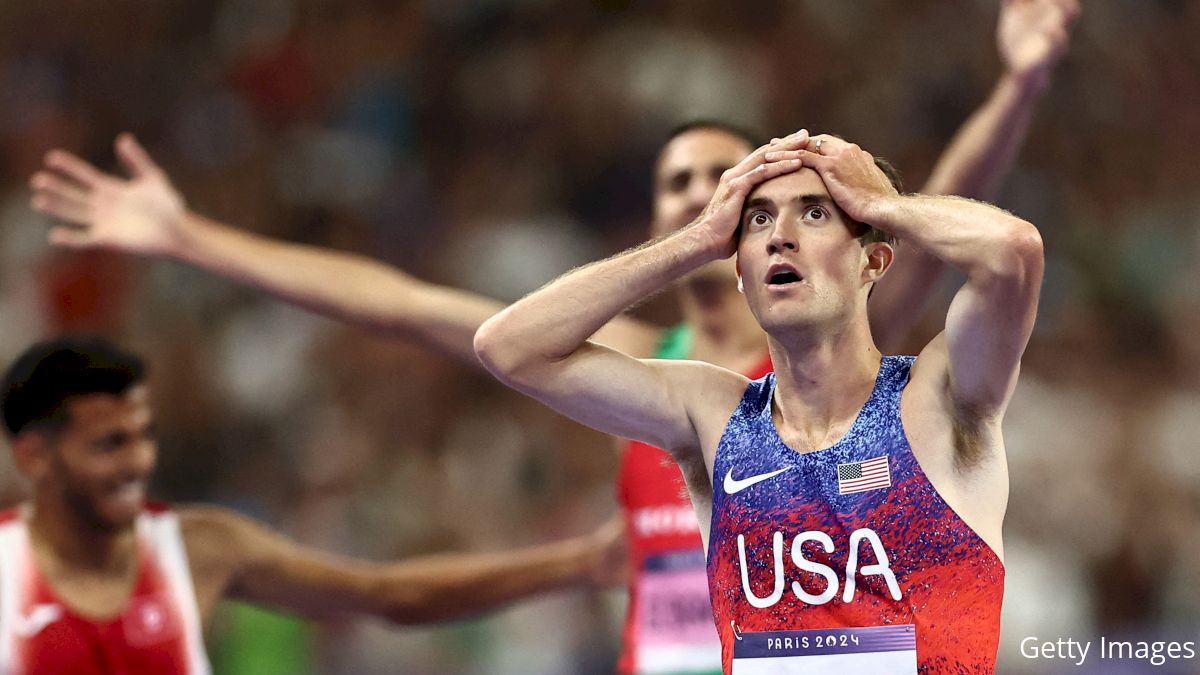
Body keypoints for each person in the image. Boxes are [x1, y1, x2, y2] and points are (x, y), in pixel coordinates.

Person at [26, 2, 1077, 671]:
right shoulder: (692, 394)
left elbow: (990, 231)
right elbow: (441, 318)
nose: (743, 216)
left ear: (864, 252)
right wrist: (192, 237)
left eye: (785, 204)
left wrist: (903, 173)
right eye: (724, 203)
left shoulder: (907, 376)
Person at [473, 127, 1042, 673]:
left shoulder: (938, 399)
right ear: (741, 271)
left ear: (873, 260)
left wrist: (878, 203)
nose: (779, 236)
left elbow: (1013, 252)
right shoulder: (713, 414)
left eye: (816, 212)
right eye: (759, 221)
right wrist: (696, 240)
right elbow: (511, 348)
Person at [0, 337, 622, 675]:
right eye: (109, 445)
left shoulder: (197, 549)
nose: (136, 464)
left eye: (140, 439)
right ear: (34, 456)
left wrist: (580, 562)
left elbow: (390, 594)